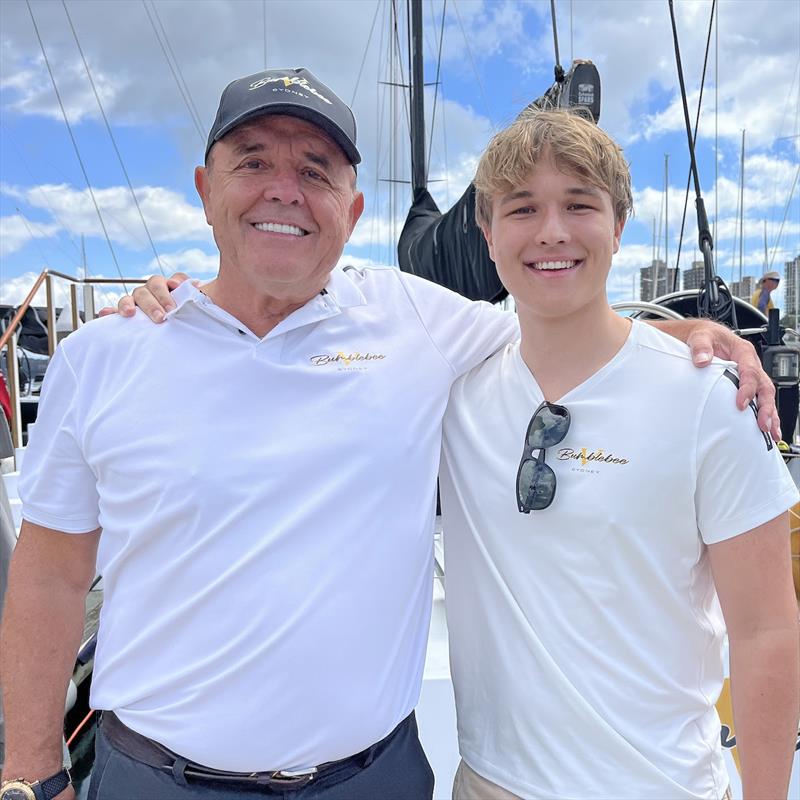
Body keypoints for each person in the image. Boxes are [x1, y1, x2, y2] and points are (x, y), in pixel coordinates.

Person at [0, 68, 779, 800]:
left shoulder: (415, 321)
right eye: (253, 163)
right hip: (157, 779)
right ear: (205, 191)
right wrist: (33, 771)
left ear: (354, 209)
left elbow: (566, 323)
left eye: (316, 171)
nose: (285, 190)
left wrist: (690, 335)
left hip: (372, 778)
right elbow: (50, 576)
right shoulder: (105, 356)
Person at [438, 110, 799, 799]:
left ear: (618, 226)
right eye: (523, 208)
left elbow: (767, 631)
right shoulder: (456, 390)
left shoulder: (706, 401)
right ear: (488, 234)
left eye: (580, 205)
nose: (552, 231)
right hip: (491, 784)